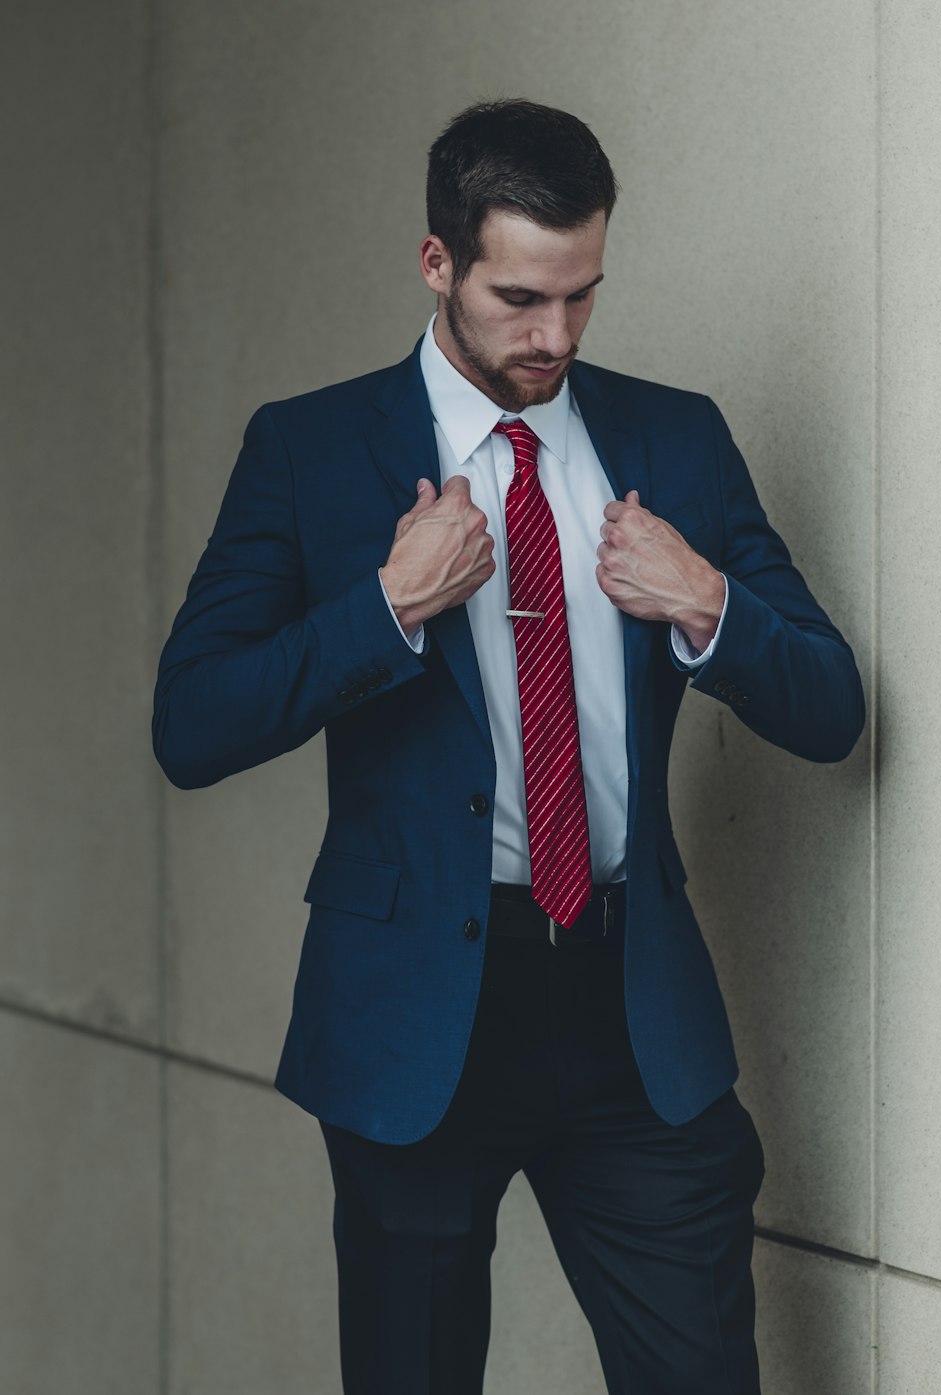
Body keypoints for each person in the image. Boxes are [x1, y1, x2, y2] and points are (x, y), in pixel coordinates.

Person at [153, 98, 864, 1395]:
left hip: (632, 1012)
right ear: (439, 264)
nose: (557, 337)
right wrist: (385, 608)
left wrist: (709, 606)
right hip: (419, 1022)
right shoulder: (310, 452)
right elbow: (191, 723)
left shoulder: (675, 439)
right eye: (521, 298)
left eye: (584, 295)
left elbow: (831, 706)